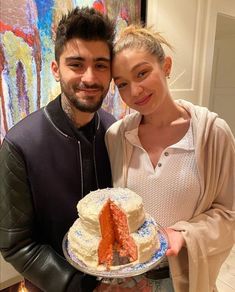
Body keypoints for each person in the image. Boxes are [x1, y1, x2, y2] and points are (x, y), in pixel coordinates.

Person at [105, 25, 235, 291]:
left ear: (166, 66)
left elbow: (229, 213)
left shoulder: (211, 134)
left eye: (142, 73)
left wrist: (182, 234)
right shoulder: (117, 137)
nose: (135, 91)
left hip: (183, 278)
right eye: (122, 84)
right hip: (129, 277)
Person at [0, 7, 116, 292]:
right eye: (76, 64)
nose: (90, 78)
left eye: (100, 65)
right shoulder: (19, 145)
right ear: (55, 69)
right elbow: (16, 244)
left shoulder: (115, 130)